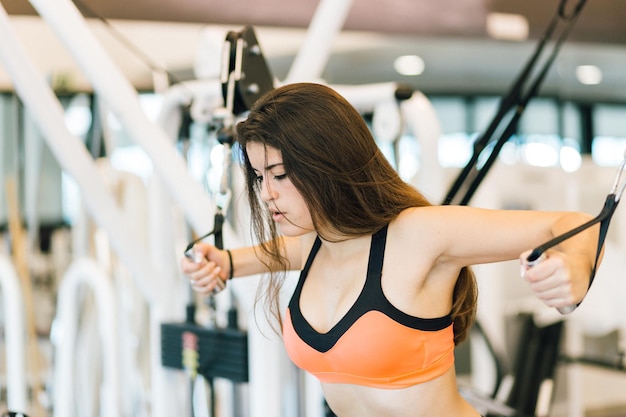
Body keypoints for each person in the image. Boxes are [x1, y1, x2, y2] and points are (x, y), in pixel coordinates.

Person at [181, 82, 600, 417]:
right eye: (258, 177)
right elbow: (270, 254)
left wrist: (575, 271)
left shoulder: (419, 234)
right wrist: (225, 263)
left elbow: (572, 225)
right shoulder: (317, 244)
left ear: (326, 160)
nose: (267, 194)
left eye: (280, 174)